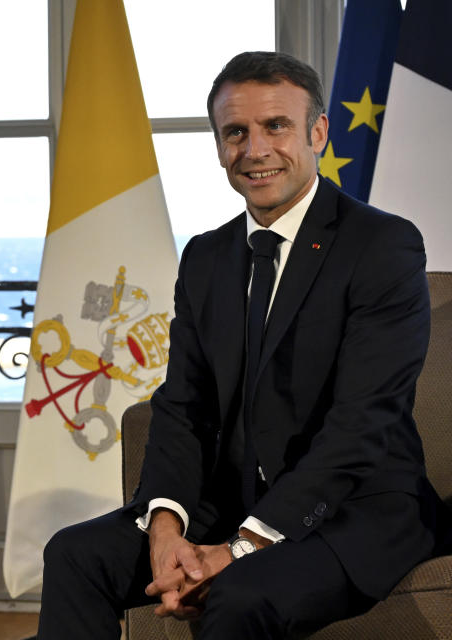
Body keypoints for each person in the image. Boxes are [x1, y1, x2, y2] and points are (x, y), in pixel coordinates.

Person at [35, 52, 451, 639]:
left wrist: (238, 548)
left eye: (275, 126)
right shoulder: (206, 257)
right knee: (74, 554)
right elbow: (183, 406)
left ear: (318, 132)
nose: (254, 149)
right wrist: (163, 525)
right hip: (228, 500)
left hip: (355, 508)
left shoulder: (383, 245)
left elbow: (363, 425)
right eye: (236, 132)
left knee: (238, 593)